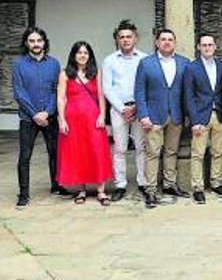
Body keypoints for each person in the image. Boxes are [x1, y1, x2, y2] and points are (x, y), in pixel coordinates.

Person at [135, 28, 190, 209]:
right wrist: (143, 115)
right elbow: (139, 92)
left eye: (170, 40)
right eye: (163, 39)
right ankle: (150, 189)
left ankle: (169, 184)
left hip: (175, 115)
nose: (167, 42)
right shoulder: (146, 63)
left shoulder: (184, 63)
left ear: (174, 43)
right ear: (157, 42)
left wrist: (186, 114)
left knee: (171, 151)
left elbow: (186, 92)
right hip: (154, 116)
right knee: (153, 153)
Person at [13, 26, 65, 208]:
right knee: (25, 156)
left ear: (44, 42)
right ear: (26, 43)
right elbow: (19, 92)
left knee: (55, 153)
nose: (36, 44)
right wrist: (35, 114)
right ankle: (24, 194)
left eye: (39, 41)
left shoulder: (54, 63)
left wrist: (47, 112)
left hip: (49, 117)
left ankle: (57, 185)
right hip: (28, 118)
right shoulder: (19, 64)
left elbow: (57, 91)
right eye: (32, 41)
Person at [56, 41, 113, 205]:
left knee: (97, 150)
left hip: (93, 118)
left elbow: (101, 95)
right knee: (78, 153)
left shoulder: (96, 72)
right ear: (73, 55)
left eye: (85, 53)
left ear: (90, 56)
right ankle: (81, 190)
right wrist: (62, 119)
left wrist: (102, 114)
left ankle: (101, 191)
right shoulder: (65, 74)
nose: (82, 56)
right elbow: (61, 97)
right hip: (73, 119)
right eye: (79, 53)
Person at [102, 20, 148, 202]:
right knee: (119, 148)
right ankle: (120, 184)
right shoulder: (110, 60)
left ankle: (143, 182)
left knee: (141, 147)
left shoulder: (144, 59)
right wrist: (122, 108)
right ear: (117, 40)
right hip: (118, 109)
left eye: (129, 36)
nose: (126, 40)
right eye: (122, 37)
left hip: (139, 108)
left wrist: (137, 106)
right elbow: (107, 88)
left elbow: (146, 85)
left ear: (135, 38)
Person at [183, 33, 222, 205]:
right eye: (204, 45)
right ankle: (198, 187)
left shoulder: (221, 65)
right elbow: (189, 96)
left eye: (210, 45)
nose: (207, 48)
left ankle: (216, 183)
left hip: (219, 115)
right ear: (198, 47)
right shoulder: (191, 68)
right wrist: (194, 120)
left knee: (218, 152)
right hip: (201, 116)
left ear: (215, 47)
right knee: (198, 153)